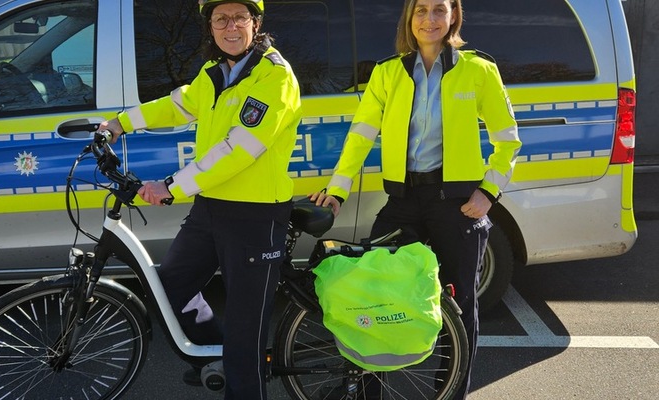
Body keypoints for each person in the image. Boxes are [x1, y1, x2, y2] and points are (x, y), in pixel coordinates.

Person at [310, 0, 521, 398]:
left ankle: (452, 392)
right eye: (420, 10)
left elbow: (508, 138)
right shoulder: (389, 72)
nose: (429, 19)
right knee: (374, 292)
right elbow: (360, 136)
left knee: (460, 310)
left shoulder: (477, 70)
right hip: (404, 200)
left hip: (456, 203)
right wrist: (337, 188)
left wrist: (488, 192)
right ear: (409, 18)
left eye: (439, 10)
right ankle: (368, 391)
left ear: (453, 16)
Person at [100, 1, 301, 399]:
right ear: (210, 27)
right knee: (169, 286)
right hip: (212, 209)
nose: (230, 27)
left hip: (256, 217)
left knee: (246, 336)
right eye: (220, 19)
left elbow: (239, 147)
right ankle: (216, 357)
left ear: (255, 24)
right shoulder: (215, 73)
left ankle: (239, 371)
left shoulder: (273, 76)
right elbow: (179, 104)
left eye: (239, 18)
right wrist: (120, 123)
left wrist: (172, 186)